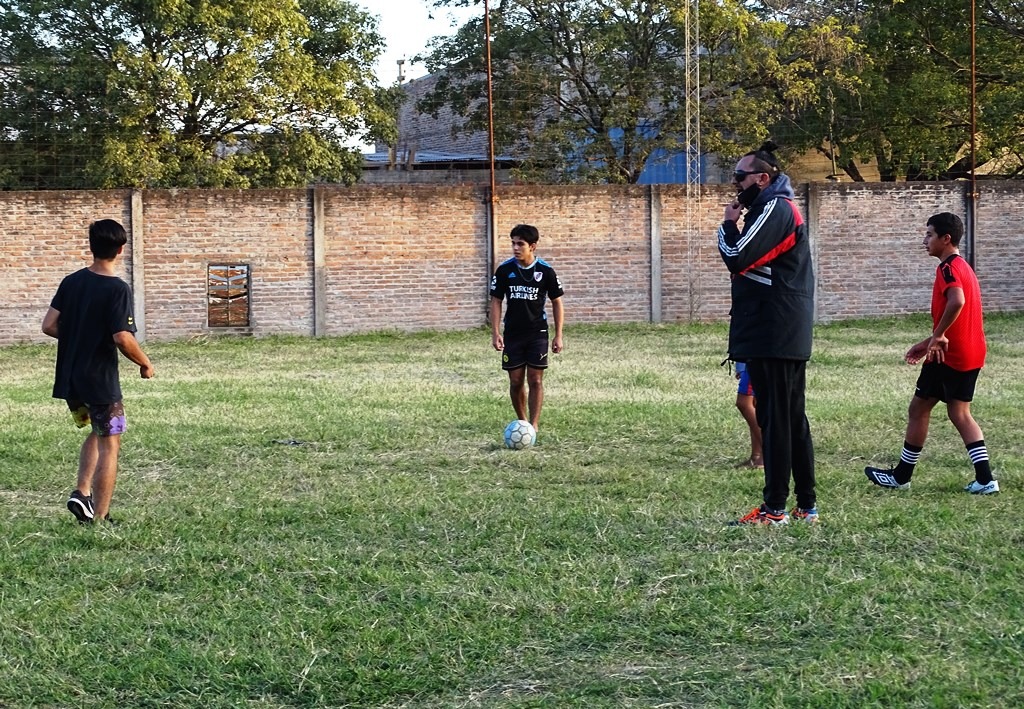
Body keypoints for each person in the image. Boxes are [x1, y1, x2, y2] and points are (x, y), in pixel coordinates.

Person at [717, 141, 817, 525]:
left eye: (739, 177)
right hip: (778, 328)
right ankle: (806, 506)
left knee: (775, 419)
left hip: (773, 329)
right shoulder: (771, 209)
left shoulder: (777, 208)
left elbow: (737, 257)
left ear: (763, 178)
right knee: (790, 418)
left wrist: (728, 223)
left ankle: (775, 509)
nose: (735, 183)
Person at [865, 212, 998, 494]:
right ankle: (986, 480)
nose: (924, 240)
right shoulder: (965, 267)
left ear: (945, 239)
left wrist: (937, 338)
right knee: (960, 413)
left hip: (948, 355)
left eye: (929, 235)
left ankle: (901, 477)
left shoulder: (948, 268)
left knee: (919, 409)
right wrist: (928, 341)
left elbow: (957, 301)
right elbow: (960, 316)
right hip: (971, 351)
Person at [42, 219, 155, 525]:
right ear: (121, 249)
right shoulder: (116, 288)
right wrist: (145, 362)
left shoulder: (71, 281)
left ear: (91, 246)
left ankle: (81, 492)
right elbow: (123, 337)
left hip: (72, 379)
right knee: (111, 443)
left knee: (97, 428)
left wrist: (79, 337)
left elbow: (49, 325)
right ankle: (101, 517)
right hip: (99, 379)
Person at [490, 224, 565, 434]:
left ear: (532, 246)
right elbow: (496, 301)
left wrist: (558, 335)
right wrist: (495, 332)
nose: (515, 247)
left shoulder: (545, 271)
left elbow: (557, 302)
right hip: (513, 334)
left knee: (535, 379)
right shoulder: (505, 270)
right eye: (513, 243)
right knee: (515, 381)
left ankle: (534, 424)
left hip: (537, 333)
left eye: (520, 244)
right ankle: (522, 423)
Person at [733, 362, 763, 469]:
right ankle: (756, 456)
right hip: (750, 357)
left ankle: (768, 452)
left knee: (744, 403)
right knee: (755, 404)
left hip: (753, 358)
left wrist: (741, 366)